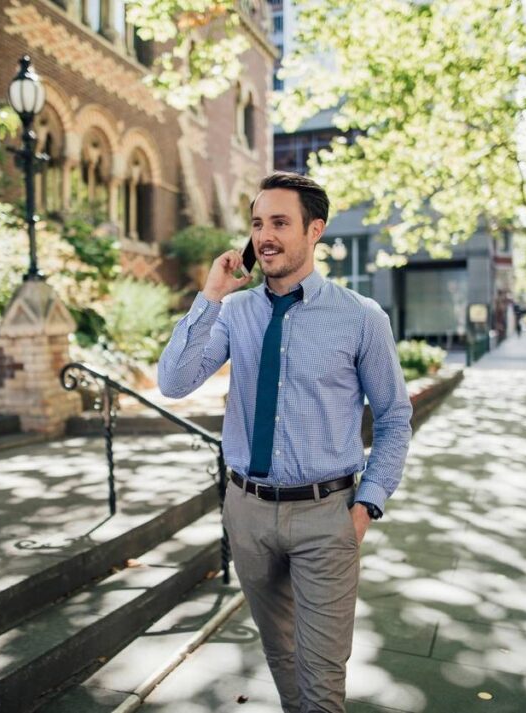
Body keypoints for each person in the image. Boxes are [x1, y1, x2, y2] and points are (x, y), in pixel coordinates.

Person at [158, 172, 413, 712]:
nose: (265, 236)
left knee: (322, 678)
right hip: (247, 513)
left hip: (327, 516)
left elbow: (393, 416)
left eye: (279, 222)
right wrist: (210, 296)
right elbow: (174, 382)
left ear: (314, 230)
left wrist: (368, 504)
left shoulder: (360, 318)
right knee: (283, 660)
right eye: (257, 224)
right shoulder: (234, 312)